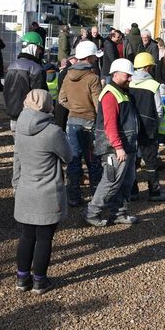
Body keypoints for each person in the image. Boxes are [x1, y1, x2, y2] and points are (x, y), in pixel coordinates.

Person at [12, 89, 71, 294]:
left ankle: (21, 278)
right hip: (47, 192)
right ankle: (39, 280)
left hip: (26, 189)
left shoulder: (19, 128)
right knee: (45, 238)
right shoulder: (52, 132)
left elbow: (17, 159)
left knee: (27, 236)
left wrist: (15, 184)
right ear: (46, 105)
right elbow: (68, 156)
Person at [83, 58, 139, 227]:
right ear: (115, 74)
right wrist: (118, 147)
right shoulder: (110, 94)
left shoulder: (122, 92)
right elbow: (110, 124)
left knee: (126, 181)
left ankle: (119, 212)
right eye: (127, 75)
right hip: (114, 148)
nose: (129, 78)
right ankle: (91, 213)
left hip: (127, 146)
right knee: (111, 182)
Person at [59, 41, 104, 207]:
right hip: (89, 121)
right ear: (89, 57)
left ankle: (73, 196)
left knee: (74, 159)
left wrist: (75, 108)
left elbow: (62, 99)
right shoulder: (93, 78)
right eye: (94, 56)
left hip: (71, 121)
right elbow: (98, 104)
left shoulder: (67, 76)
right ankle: (96, 197)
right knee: (93, 160)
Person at [128, 52, 165, 202]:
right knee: (150, 162)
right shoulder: (154, 85)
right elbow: (159, 110)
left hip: (132, 127)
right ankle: (154, 192)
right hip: (149, 128)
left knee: (132, 161)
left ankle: (132, 192)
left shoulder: (129, 82)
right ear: (148, 67)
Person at [4, 31, 47, 129]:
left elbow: (6, 92)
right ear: (34, 47)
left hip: (13, 116)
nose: (40, 52)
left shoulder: (12, 66)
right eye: (39, 48)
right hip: (31, 118)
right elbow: (40, 96)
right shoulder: (36, 69)